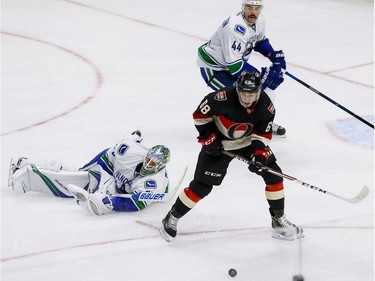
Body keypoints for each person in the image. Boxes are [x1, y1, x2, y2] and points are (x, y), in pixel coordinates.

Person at [159, 70, 303, 242]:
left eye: (251, 94)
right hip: (219, 145)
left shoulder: (265, 105)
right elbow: (199, 116)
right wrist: (208, 137)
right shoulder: (220, 98)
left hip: (248, 143)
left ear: (258, 92)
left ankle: (278, 221)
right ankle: (172, 216)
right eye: (243, 93)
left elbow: (262, 135)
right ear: (237, 90)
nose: (247, 99)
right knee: (201, 187)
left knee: (274, 175)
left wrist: (258, 155)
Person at [8, 130, 171, 215]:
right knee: (80, 176)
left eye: (153, 163)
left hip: (118, 188)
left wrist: (111, 202)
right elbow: (116, 149)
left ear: (160, 166)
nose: (148, 164)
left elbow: (136, 203)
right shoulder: (129, 151)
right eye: (148, 159)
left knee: (81, 180)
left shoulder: (153, 183)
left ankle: (25, 163)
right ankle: (27, 165)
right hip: (109, 165)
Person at [196, 0, 287, 136]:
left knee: (265, 91)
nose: (253, 12)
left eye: (256, 8)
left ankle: (263, 123)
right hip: (215, 69)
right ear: (243, 8)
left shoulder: (260, 21)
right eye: (249, 8)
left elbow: (259, 41)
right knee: (239, 95)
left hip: (233, 66)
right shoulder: (235, 27)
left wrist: (273, 55)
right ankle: (229, 125)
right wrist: (258, 77)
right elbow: (234, 66)